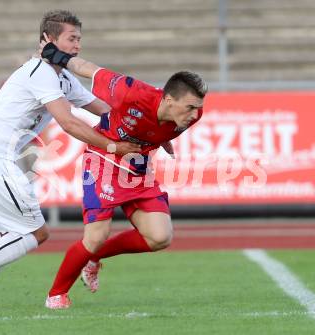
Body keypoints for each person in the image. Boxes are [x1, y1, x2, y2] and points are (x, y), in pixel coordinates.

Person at [0, 10, 140, 311]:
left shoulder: (62, 77)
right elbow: (69, 123)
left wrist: (143, 127)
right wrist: (114, 147)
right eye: (71, 39)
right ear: (48, 39)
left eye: (79, 39)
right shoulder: (40, 73)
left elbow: (103, 108)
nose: (77, 46)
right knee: (36, 233)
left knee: (8, 237)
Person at [40, 41, 207, 309]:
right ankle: (56, 295)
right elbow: (90, 69)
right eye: (189, 107)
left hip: (137, 167)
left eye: (198, 107)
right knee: (95, 235)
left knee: (160, 236)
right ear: (168, 99)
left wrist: (162, 139)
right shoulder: (133, 93)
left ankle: (94, 258)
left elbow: (157, 130)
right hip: (104, 159)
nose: (195, 114)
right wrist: (56, 55)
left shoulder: (191, 116)